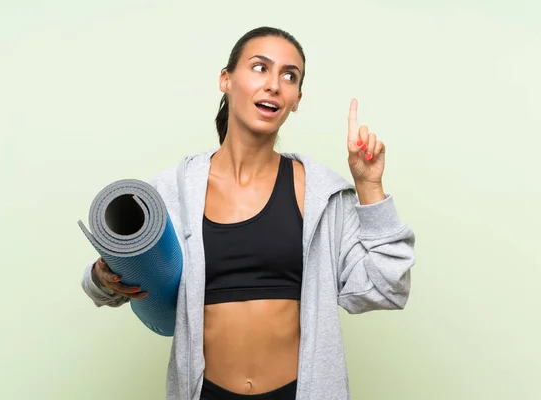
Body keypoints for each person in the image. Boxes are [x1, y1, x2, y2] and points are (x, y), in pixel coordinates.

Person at [81, 26, 416, 400]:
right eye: (260, 68)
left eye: (289, 76)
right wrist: (102, 276)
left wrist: (369, 184)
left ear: (296, 99)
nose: (274, 85)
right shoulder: (173, 190)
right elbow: (113, 282)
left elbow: (388, 286)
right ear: (225, 79)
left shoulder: (321, 193)